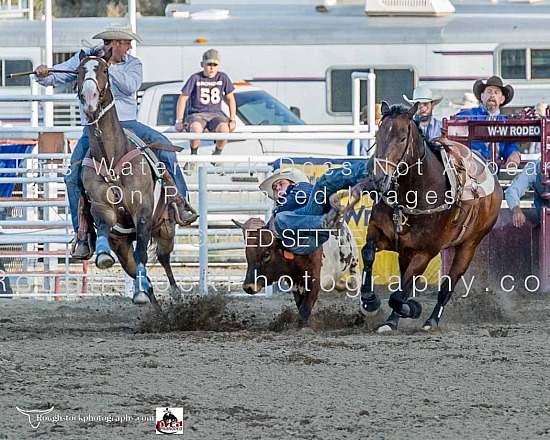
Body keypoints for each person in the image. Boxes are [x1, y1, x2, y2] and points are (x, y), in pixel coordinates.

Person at [34, 28, 198, 259]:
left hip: (129, 124)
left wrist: (104, 67)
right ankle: (82, 235)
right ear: (113, 44)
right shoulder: (86, 59)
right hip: (95, 129)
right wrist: (42, 74)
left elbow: (131, 86)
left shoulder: (132, 64)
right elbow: (56, 77)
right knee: (72, 175)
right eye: (126, 43)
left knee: (167, 151)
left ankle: (180, 202)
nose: (129, 48)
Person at [175, 49, 237, 157]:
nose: (212, 68)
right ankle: (193, 154)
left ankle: (217, 153)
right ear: (202, 64)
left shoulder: (223, 77)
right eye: (209, 64)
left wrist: (232, 119)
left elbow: (231, 98)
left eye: (215, 64)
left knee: (224, 129)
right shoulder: (195, 78)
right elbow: (183, 98)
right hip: (196, 113)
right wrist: (179, 120)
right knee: (195, 128)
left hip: (216, 114)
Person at [455, 76, 521, 167]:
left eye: (496, 92)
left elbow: (509, 144)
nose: (492, 95)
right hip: (469, 174)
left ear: (502, 99)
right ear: (482, 96)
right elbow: (454, 139)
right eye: (489, 91)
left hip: (493, 175)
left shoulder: (505, 122)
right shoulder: (467, 116)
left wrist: (514, 153)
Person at [506, 159, 548, 227]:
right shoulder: (533, 169)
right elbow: (512, 190)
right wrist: (516, 209)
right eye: (543, 172)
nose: (546, 176)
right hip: (540, 209)